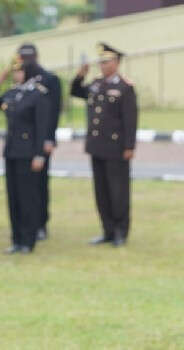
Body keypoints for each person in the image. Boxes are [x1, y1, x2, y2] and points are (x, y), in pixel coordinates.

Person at [70, 43, 138, 247]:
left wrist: (129, 146)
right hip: (97, 146)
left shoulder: (125, 87)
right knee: (101, 191)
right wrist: (80, 75)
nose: (102, 65)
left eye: (106, 61)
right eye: (101, 62)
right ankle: (107, 230)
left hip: (116, 148)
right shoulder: (97, 84)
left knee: (118, 191)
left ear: (116, 63)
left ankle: (120, 231)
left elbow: (130, 119)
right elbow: (75, 91)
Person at [0, 58, 55, 254]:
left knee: (27, 198)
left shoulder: (37, 95)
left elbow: (42, 127)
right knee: (13, 197)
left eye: (20, 71)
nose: (16, 75)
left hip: (28, 153)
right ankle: (16, 239)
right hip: (12, 152)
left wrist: (40, 154)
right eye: (14, 72)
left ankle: (28, 240)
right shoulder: (13, 93)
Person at [17, 43, 60, 240]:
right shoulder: (19, 80)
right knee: (23, 186)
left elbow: (53, 112)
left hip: (41, 140)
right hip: (23, 142)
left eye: (29, 57)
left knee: (40, 184)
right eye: (22, 57)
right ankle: (26, 222)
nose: (26, 61)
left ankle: (41, 223)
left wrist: (50, 138)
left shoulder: (49, 79)